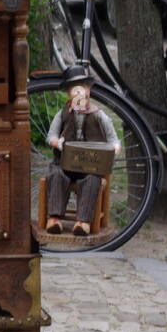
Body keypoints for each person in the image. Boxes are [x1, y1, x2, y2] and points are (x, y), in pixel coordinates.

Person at [44, 65, 120, 237]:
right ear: (68, 93)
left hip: (90, 165)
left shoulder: (99, 115)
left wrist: (115, 147)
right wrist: (57, 142)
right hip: (64, 162)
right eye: (74, 89)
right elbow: (51, 136)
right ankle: (54, 219)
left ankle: (83, 221)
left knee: (92, 180)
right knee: (56, 175)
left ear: (88, 91)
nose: (79, 93)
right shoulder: (62, 114)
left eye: (82, 88)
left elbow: (112, 137)